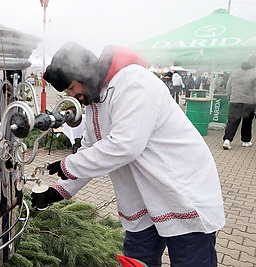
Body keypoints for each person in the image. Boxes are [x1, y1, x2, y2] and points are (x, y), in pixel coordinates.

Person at [34, 42, 225, 267]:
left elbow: (125, 145)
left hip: (181, 192)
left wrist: (69, 165)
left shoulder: (134, 83)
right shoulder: (95, 100)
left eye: (72, 87)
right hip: (141, 201)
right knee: (136, 263)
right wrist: (57, 191)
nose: (73, 95)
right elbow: (91, 149)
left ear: (83, 75)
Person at [222, 55, 256, 150]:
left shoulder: (234, 72)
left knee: (232, 121)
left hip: (235, 100)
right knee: (247, 122)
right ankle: (245, 141)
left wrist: (230, 98)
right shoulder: (254, 73)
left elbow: (228, 87)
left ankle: (227, 140)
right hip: (249, 102)